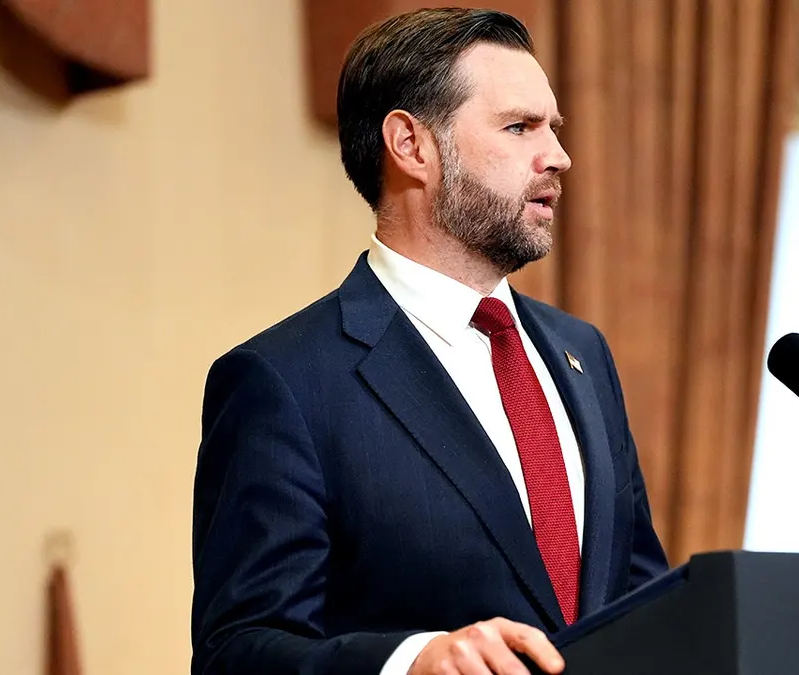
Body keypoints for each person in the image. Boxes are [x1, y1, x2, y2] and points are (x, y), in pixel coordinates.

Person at [190, 7, 668, 675]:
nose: (559, 155)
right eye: (520, 127)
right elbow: (235, 652)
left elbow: (643, 600)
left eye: (553, 128)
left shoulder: (581, 353)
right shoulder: (284, 381)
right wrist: (411, 661)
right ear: (412, 146)